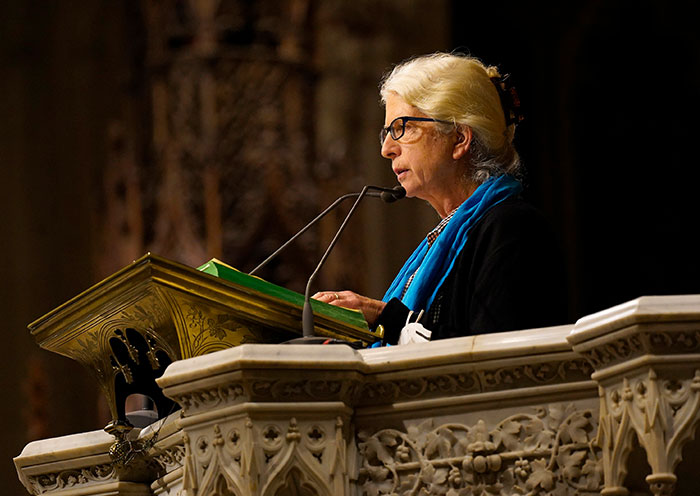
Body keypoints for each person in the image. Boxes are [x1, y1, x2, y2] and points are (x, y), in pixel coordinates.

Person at [313, 52, 568, 345]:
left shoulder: (513, 228)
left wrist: (383, 317)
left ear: (459, 139)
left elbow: (497, 356)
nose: (386, 148)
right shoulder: (443, 238)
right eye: (386, 132)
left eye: (402, 128)